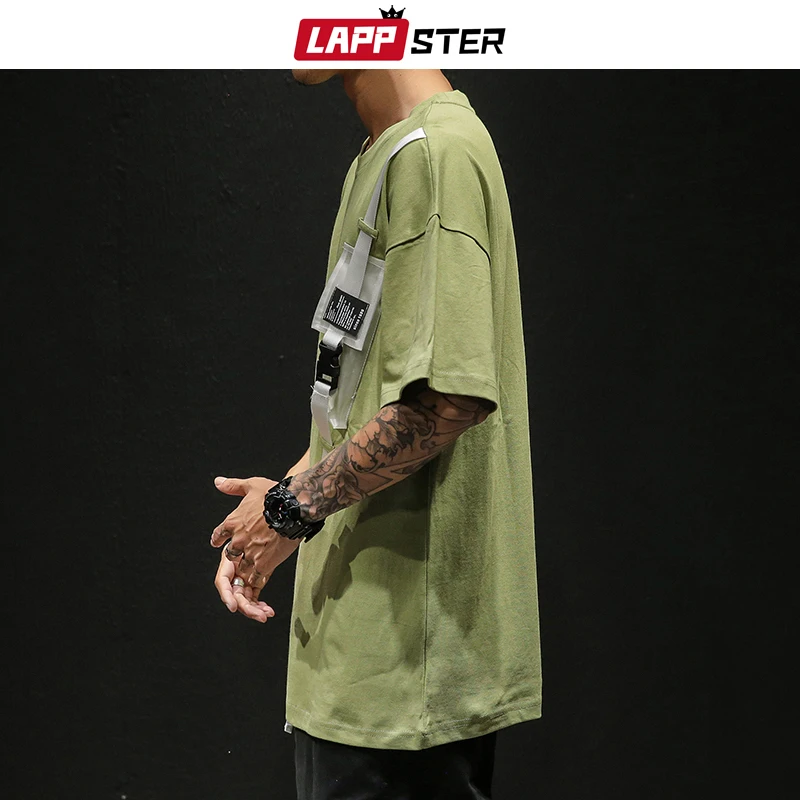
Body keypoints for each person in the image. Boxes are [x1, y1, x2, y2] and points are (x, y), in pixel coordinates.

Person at [210, 69, 542, 800]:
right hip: (361, 669)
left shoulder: (437, 154)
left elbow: (445, 401)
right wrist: (277, 505)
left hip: (406, 681)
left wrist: (290, 512)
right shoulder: (386, 154)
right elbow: (358, 402)